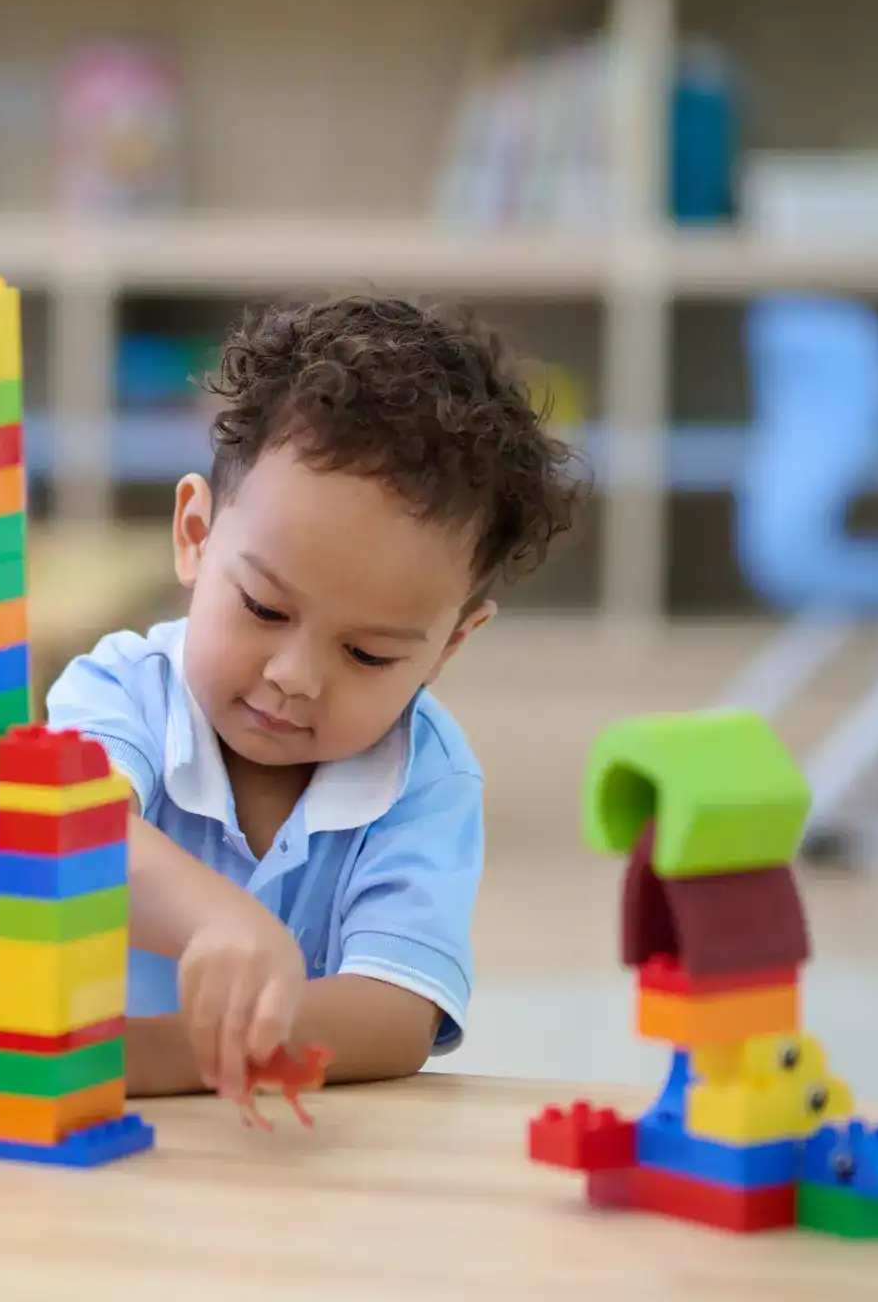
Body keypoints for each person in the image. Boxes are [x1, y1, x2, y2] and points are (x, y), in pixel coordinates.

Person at [45, 295, 589, 1101]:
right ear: (195, 535)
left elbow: (397, 1011)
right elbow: (64, 833)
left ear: (449, 646)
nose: (295, 676)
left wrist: (161, 1057)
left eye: (368, 653)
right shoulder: (123, 689)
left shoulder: (425, 776)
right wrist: (220, 921)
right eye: (265, 609)